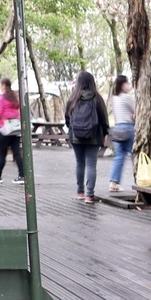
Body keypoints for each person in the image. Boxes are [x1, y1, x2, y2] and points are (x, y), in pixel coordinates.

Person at [65, 71, 109, 204]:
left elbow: (67, 118)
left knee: (79, 163)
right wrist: (105, 132)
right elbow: (104, 118)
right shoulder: (97, 98)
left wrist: (73, 130)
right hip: (94, 136)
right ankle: (90, 196)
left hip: (76, 136)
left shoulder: (73, 98)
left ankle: (80, 192)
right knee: (91, 165)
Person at [0, 77, 24, 184]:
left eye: (0, 84)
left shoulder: (1, 98)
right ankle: (22, 175)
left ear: (4, 85)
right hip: (15, 130)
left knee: (2, 154)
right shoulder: (14, 98)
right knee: (17, 153)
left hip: (4, 129)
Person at [108, 75, 135, 192]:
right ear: (122, 85)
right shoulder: (127, 97)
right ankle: (140, 181)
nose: (129, 85)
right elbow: (137, 111)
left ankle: (113, 183)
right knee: (136, 155)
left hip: (118, 129)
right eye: (127, 83)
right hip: (128, 128)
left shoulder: (114, 98)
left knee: (119, 157)